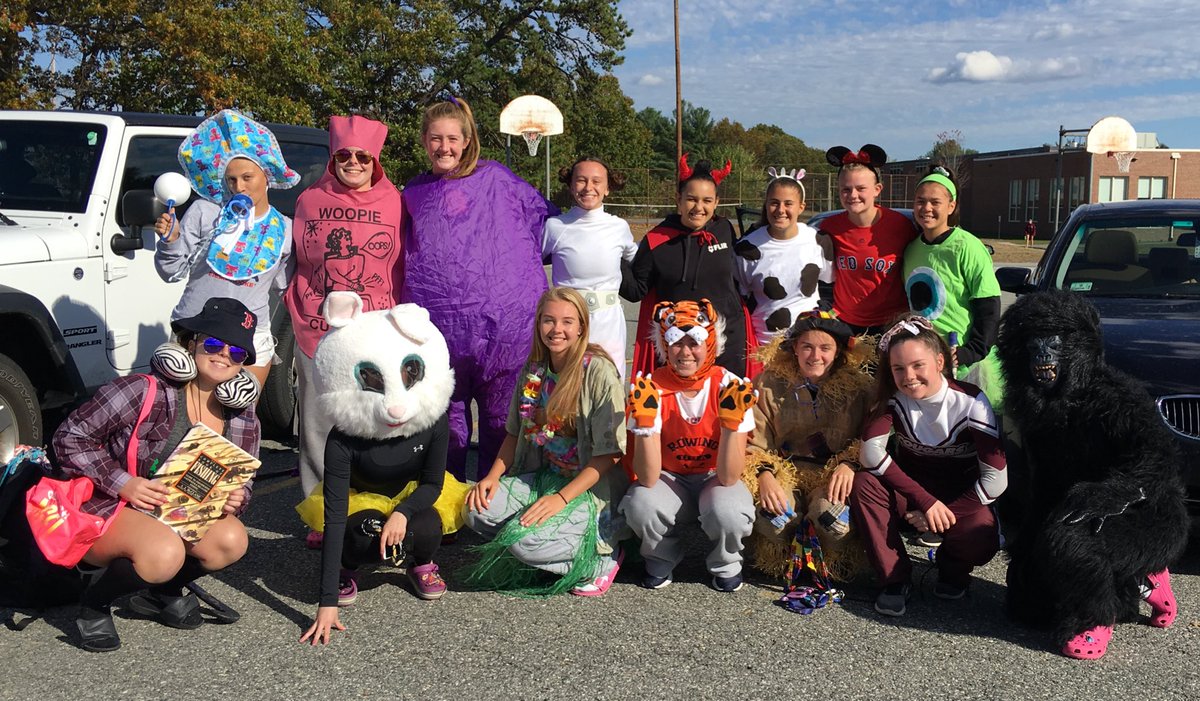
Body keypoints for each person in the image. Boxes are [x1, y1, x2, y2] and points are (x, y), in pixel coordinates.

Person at [52, 297, 261, 652]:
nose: (224, 355)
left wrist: (237, 497)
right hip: (111, 505)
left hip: (176, 513)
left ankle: (160, 592)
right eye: (214, 344)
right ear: (190, 343)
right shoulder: (143, 390)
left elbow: (244, 478)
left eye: (237, 352)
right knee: (165, 552)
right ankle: (94, 603)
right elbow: (69, 437)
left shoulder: (242, 416)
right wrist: (123, 482)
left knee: (232, 540)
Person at [298, 292, 466, 645]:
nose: (395, 408)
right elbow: (335, 516)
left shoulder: (431, 420)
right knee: (360, 536)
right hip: (362, 502)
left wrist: (403, 513)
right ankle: (348, 570)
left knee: (427, 526)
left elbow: (433, 483)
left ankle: (421, 563)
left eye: (409, 374)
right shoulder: (343, 438)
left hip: (410, 496)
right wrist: (326, 602)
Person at [401, 97, 556, 481]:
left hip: (502, 329)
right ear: (424, 140)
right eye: (436, 138)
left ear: (467, 141)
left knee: (502, 421)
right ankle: (443, 499)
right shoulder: (415, 192)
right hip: (440, 333)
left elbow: (544, 222)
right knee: (445, 426)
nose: (444, 147)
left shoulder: (497, 180)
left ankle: (493, 497)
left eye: (452, 139)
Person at [464, 287, 628, 596]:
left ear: (581, 327)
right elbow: (515, 432)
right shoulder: (535, 370)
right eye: (549, 320)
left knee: (524, 543)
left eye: (567, 321)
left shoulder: (598, 372)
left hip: (588, 489)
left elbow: (611, 454)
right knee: (475, 509)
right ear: (539, 323)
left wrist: (560, 500)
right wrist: (492, 476)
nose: (557, 329)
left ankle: (601, 558)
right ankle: (552, 545)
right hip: (544, 476)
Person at [285, 115, 404, 536]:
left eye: (362, 157)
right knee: (318, 424)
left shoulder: (395, 202)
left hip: (374, 331)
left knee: (376, 420)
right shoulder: (308, 201)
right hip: (317, 328)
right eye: (344, 155)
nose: (353, 162)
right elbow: (294, 259)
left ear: (375, 161)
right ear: (333, 158)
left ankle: (374, 507)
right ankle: (320, 513)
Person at [851, 315, 1007, 617]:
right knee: (865, 484)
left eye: (917, 365)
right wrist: (926, 503)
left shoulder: (971, 401)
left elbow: (996, 479)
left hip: (960, 497)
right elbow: (869, 454)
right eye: (898, 368)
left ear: (939, 361)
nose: (909, 376)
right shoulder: (893, 399)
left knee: (981, 535)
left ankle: (952, 569)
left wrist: (938, 514)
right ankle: (894, 579)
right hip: (913, 495)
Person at [155, 109, 300, 389]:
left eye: (247, 177)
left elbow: (285, 289)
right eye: (231, 179)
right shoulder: (205, 212)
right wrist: (170, 241)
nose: (238, 187)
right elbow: (170, 271)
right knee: (184, 411)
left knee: (239, 411)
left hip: (249, 338)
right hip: (195, 330)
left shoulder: (284, 229)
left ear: (266, 176)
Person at [620, 299, 758, 592]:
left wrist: (730, 424)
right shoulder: (650, 388)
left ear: (711, 344)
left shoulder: (730, 385)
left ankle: (726, 563)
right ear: (664, 345)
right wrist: (645, 423)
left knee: (730, 510)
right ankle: (661, 557)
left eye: (693, 342)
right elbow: (647, 478)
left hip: (714, 477)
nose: (684, 352)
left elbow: (729, 477)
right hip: (668, 478)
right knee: (641, 503)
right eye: (676, 343)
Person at [742, 311, 873, 577]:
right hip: (783, 471)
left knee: (833, 521)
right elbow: (755, 441)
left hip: (831, 475)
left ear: (838, 352)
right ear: (794, 348)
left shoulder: (859, 389)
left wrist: (850, 463)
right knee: (773, 518)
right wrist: (764, 474)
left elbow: (872, 437)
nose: (815, 356)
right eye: (807, 347)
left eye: (825, 348)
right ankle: (782, 563)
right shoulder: (768, 384)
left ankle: (831, 567)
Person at [622, 155, 753, 376]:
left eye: (707, 200)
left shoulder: (724, 229)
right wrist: (610, 255)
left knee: (727, 398)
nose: (699, 207)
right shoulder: (656, 241)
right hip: (679, 346)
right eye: (691, 199)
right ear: (679, 199)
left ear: (717, 202)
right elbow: (636, 290)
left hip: (727, 340)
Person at [902, 166, 1005, 411]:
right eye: (920, 201)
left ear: (951, 206)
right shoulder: (910, 250)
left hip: (967, 367)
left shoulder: (968, 247)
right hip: (925, 365)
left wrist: (970, 352)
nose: (926, 208)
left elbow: (989, 308)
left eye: (935, 202)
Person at [542, 157, 638, 382]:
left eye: (596, 181)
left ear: (607, 188)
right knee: (565, 387)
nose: (588, 187)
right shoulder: (555, 226)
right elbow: (530, 264)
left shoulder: (619, 227)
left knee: (608, 384)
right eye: (581, 180)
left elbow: (638, 261)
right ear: (570, 185)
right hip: (567, 323)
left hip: (608, 323)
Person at [815, 145, 917, 335]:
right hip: (845, 323)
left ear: (877, 189)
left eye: (861, 188)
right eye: (846, 189)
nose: (853, 195)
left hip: (891, 325)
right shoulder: (829, 227)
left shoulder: (901, 225)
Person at [734, 168, 833, 345]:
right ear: (766, 205)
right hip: (764, 344)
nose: (780, 210)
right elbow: (740, 298)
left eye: (788, 203)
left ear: (801, 207)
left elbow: (830, 286)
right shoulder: (745, 248)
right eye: (774, 203)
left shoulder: (818, 240)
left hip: (808, 344)